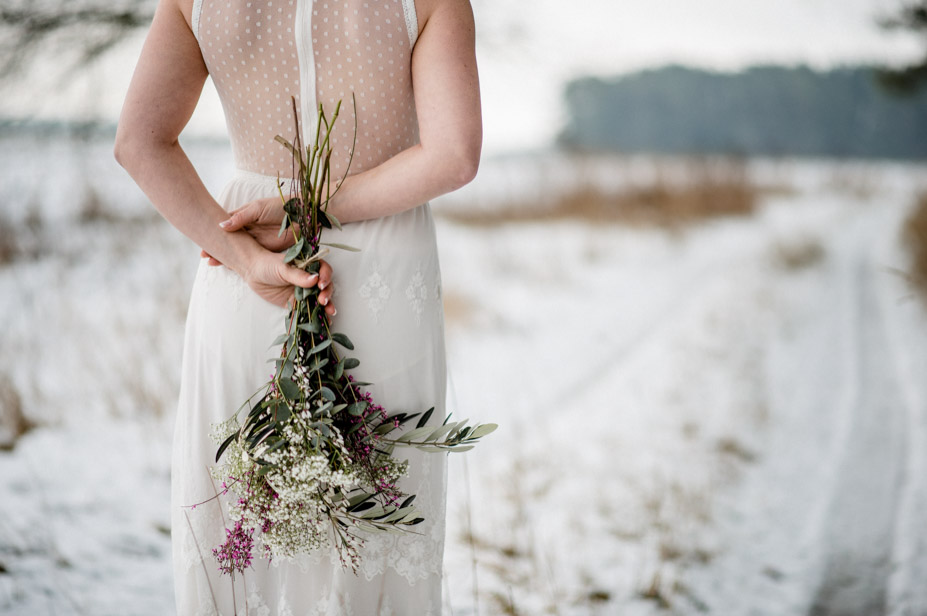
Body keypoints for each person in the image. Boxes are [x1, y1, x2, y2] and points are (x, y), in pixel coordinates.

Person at [114, 0, 481, 613]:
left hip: (246, 260)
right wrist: (314, 207)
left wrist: (245, 258)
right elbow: (453, 156)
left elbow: (138, 142)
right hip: (382, 264)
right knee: (376, 530)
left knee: (243, 537)